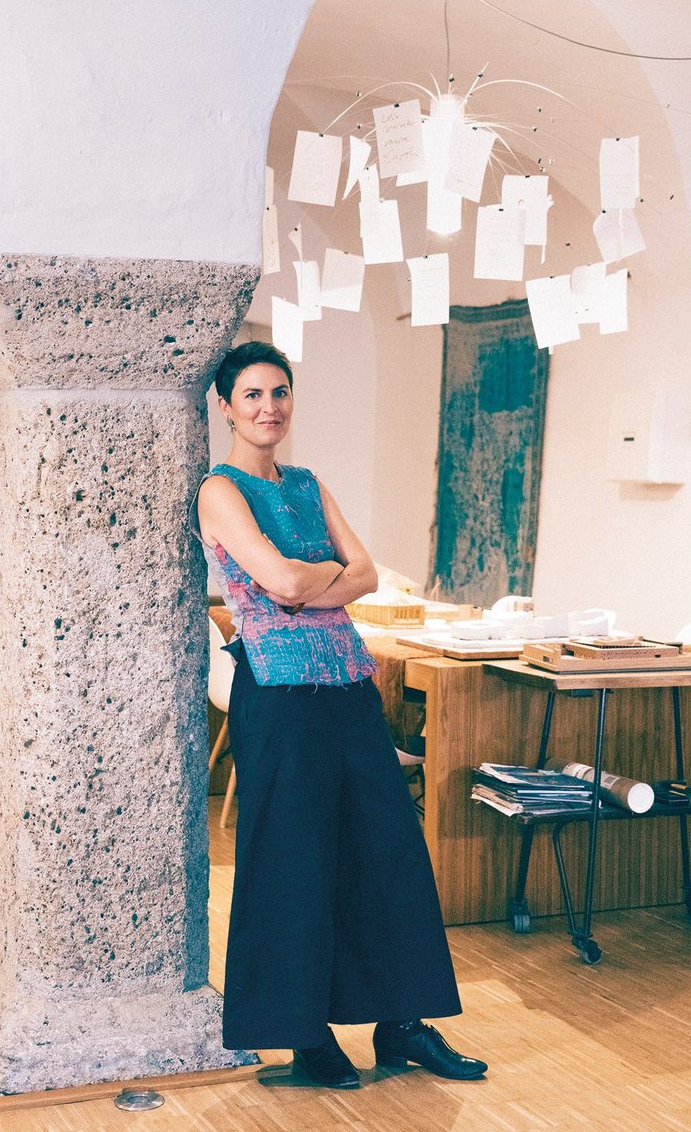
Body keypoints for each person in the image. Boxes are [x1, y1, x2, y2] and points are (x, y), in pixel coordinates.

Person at [192, 340, 487, 1088]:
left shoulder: (310, 482)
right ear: (225, 405)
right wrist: (323, 579)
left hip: (350, 687)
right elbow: (287, 578)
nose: (269, 408)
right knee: (292, 862)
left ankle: (404, 1026)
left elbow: (362, 573)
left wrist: (312, 582)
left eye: (280, 393)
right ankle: (305, 1038)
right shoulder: (219, 491)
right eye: (252, 395)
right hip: (278, 697)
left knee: (389, 851)